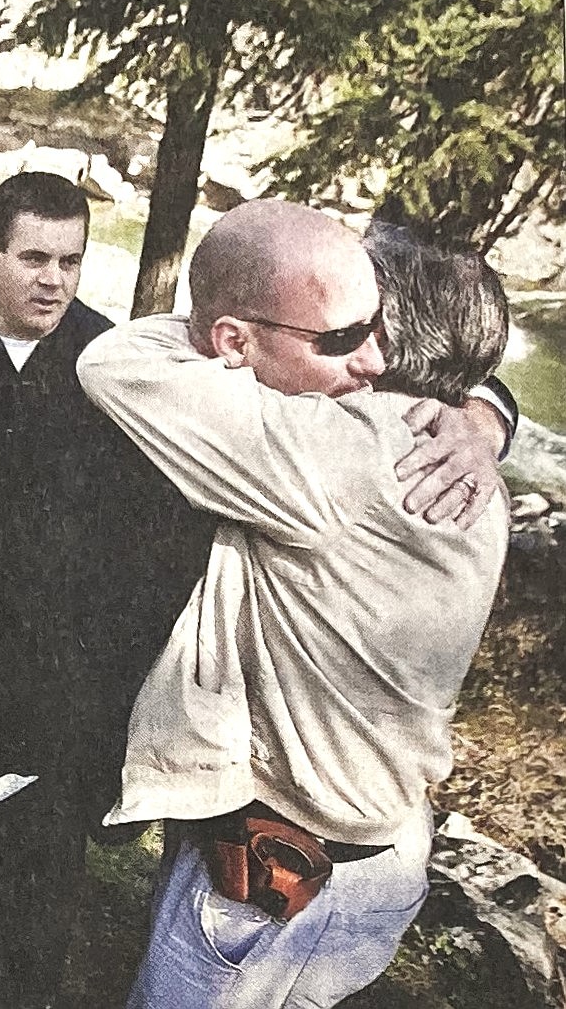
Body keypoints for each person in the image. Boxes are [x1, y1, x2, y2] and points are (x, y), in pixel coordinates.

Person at [0, 174, 510, 1009]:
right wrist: (482, 409)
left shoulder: (230, 412)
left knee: (32, 873)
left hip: (68, 679)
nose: (52, 279)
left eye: (70, 260)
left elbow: (149, 548)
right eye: (32, 257)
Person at [76, 200, 513, 1009]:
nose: (357, 347)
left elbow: (113, 360)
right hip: (372, 851)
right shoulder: (456, 460)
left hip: (278, 881)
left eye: (358, 325)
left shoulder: (337, 450)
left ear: (386, 348)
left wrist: (242, 322)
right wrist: (488, 413)